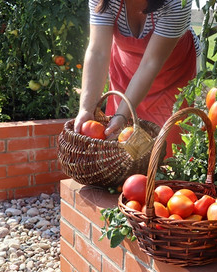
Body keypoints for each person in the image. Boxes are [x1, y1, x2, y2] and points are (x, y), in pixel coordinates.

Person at [74, 0, 201, 157]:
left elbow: (150, 63)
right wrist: (87, 108)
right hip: (125, 72)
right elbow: (98, 52)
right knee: (119, 150)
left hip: (172, 77)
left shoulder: (176, 2)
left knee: (167, 155)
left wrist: (121, 115)